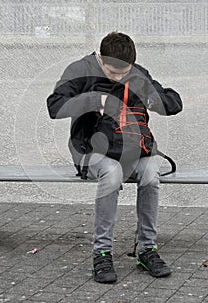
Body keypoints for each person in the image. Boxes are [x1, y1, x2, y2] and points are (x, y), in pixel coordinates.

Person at [47, 32, 183, 284]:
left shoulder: (137, 72)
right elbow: (54, 106)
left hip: (133, 148)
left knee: (152, 174)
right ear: (100, 57)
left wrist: (152, 99)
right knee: (112, 174)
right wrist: (92, 99)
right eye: (112, 72)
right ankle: (102, 252)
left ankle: (147, 249)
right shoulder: (80, 70)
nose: (119, 77)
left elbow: (174, 102)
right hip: (89, 148)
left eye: (125, 72)